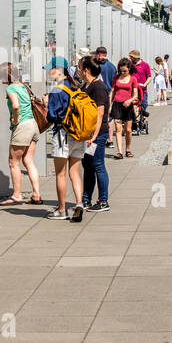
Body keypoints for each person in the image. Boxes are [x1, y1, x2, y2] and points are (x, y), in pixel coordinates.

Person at [44, 56, 87, 222]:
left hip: (63, 135)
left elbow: (51, 117)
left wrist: (47, 103)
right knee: (75, 172)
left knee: (60, 174)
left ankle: (62, 210)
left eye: (51, 69)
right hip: (78, 134)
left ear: (58, 70)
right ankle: (79, 203)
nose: (50, 72)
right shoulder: (75, 86)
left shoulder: (57, 90)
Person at [0, 62, 41, 206]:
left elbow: (15, 106)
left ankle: (17, 195)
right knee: (28, 161)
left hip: (22, 127)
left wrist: (14, 120)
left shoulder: (11, 88)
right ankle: (36, 194)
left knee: (13, 162)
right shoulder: (24, 85)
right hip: (33, 125)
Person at [77, 55, 111, 212]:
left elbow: (100, 112)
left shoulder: (98, 87)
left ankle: (103, 201)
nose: (78, 70)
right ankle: (86, 198)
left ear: (86, 70)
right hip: (88, 134)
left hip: (97, 134)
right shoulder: (86, 85)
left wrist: (94, 136)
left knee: (98, 165)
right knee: (88, 165)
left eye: (79, 67)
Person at [110, 58, 138, 159]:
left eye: (125, 71)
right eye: (121, 70)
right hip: (117, 104)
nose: (122, 72)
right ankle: (119, 152)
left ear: (129, 69)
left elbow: (135, 95)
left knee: (128, 130)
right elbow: (112, 92)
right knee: (118, 129)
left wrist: (130, 100)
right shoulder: (116, 78)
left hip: (128, 105)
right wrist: (110, 105)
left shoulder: (133, 79)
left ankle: (128, 149)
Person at [131, 49, 152, 119]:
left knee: (144, 104)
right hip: (132, 89)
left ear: (135, 57)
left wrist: (145, 84)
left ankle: (142, 120)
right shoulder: (130, 65)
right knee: (132, 106)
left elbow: (149, 77)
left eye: (131, 57)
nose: (130, 58)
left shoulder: (145, 65)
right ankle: (133, 122)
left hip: (142, 90)